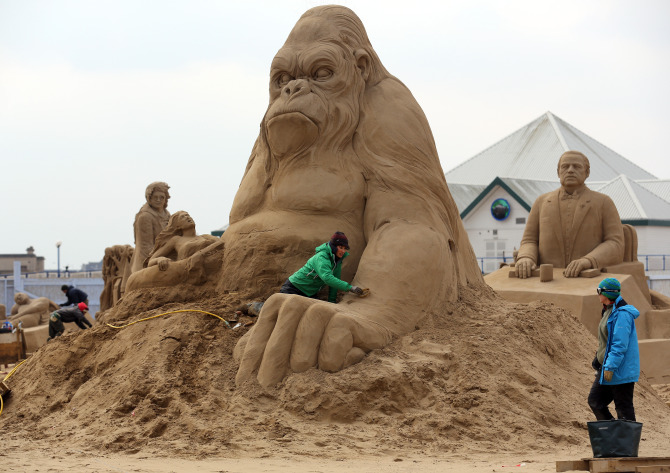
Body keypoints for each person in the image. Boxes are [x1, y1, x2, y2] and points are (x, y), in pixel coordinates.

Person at [516, 151, 624, 278]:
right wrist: (526, 257)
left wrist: (588, 261)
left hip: (587, 279)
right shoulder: (542, 202)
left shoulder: (603, 202)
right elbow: (529, 240)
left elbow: (615, 243)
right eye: (565, 166)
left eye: (576, 166)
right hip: (548, 279)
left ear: (587, 172)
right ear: (558, 172)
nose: (570, 170)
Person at [587, 277, 640, 421]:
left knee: (623, 408)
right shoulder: (607, 311)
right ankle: (612, 436)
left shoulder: (622, 315)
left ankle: (627, 442)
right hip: (607, 366)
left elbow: (619, 344)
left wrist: (610, 366)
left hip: (619, 369)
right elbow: (605, 341)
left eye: (599, 291)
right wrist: (598, 359)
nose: (597, 293)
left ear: (608, 293)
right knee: (595, 401)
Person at [279, 231, 365, 303]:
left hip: (310, 293)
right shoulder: (322, 257)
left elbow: (335, 281)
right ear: (334, 247)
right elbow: (327, 278)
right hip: (294, 288)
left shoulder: (337, 261)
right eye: (340, 247)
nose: (343, 251)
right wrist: (350, 288)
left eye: (345, 248)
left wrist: (332, 302)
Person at [129, 181, 171, 273]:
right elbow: (146, 246)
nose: (158, 200)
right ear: (149, 198)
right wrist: (158, 259)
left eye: (162, 197)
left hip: (166, 258)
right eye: (155, 197)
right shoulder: (145, 217)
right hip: (147, 264)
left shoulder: (167, 215)